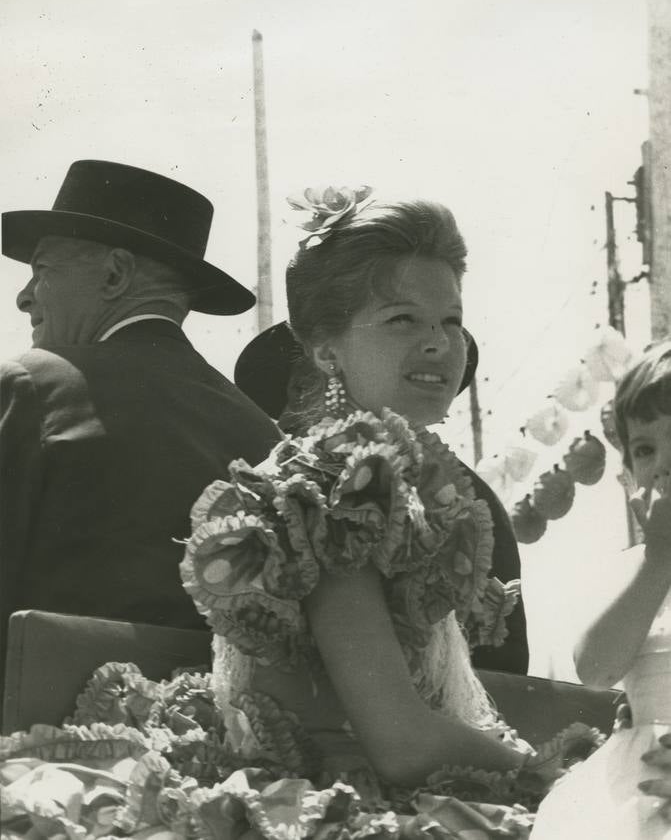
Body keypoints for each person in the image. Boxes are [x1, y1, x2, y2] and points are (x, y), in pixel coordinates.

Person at [0, 188, 598, 839]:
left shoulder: (403, 490)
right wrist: (559, 770)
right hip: (322, 802)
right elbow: (400, 740)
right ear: (324, 351)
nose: (437, 344)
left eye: (450, 321)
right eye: (402, 320)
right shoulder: (332, 490)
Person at [0, 160, 280, 685]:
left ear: (115, 274)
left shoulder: (32, 385)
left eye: (41, 269)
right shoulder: (263, 432)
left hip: (39, 750)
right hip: (218, 748)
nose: (24, 295)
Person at [530, 339, 671, 838]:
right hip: (640, 779)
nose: (664, 464)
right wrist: (658, 563)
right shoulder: (638, 570)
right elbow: (594, 670)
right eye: (646, 448)